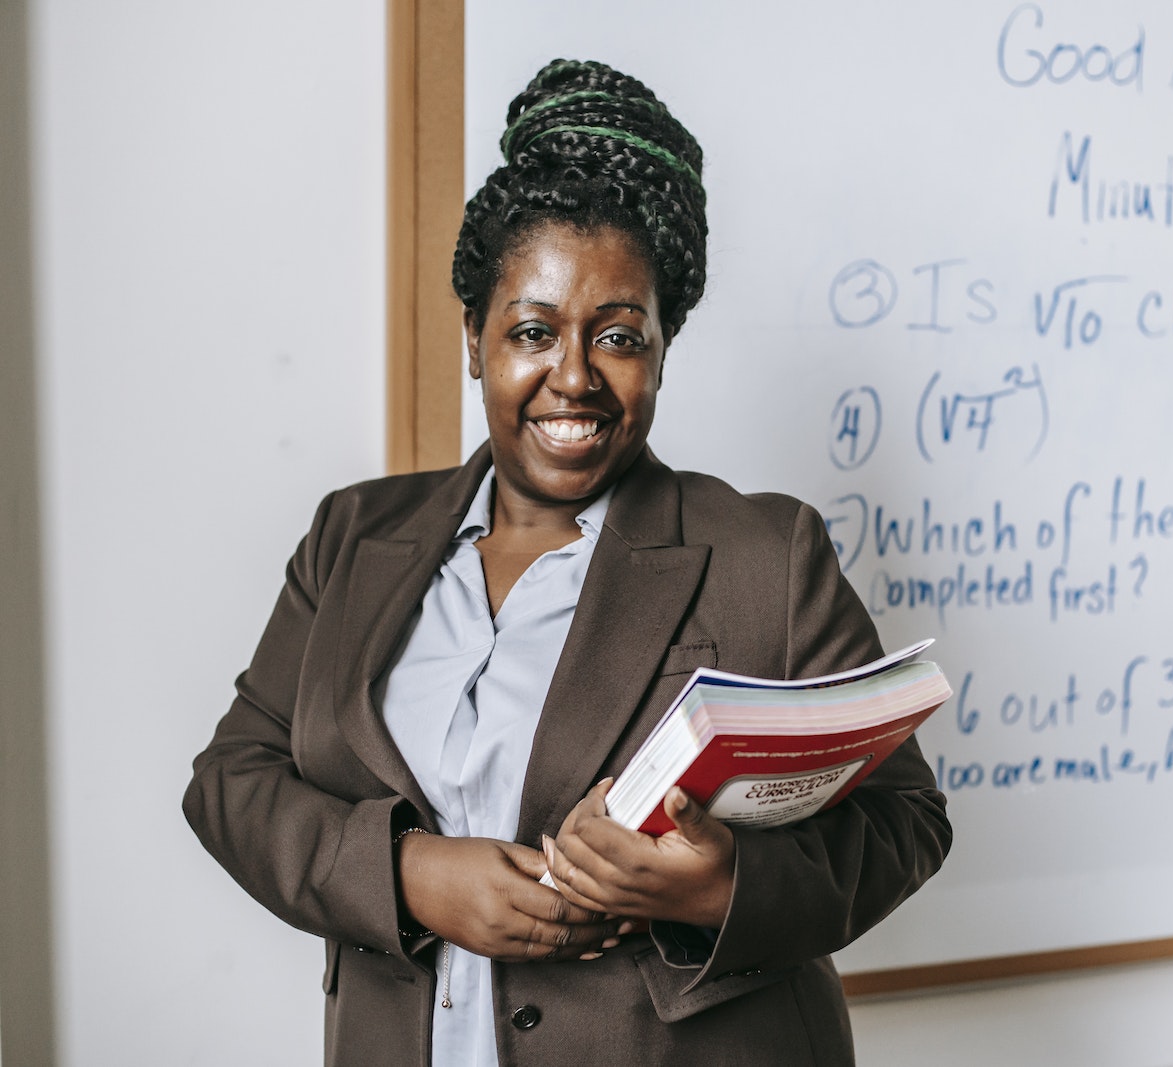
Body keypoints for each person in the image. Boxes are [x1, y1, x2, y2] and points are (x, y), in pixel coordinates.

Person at [183, 58, 951, 1066]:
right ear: (474, 338)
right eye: (534, 331)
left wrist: (717, 886)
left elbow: (905, 820)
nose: (574, 376)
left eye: (620, 336)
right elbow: (232, 779)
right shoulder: (353, 538)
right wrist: (410, 874)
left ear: (664, 345)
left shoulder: (768, 553)